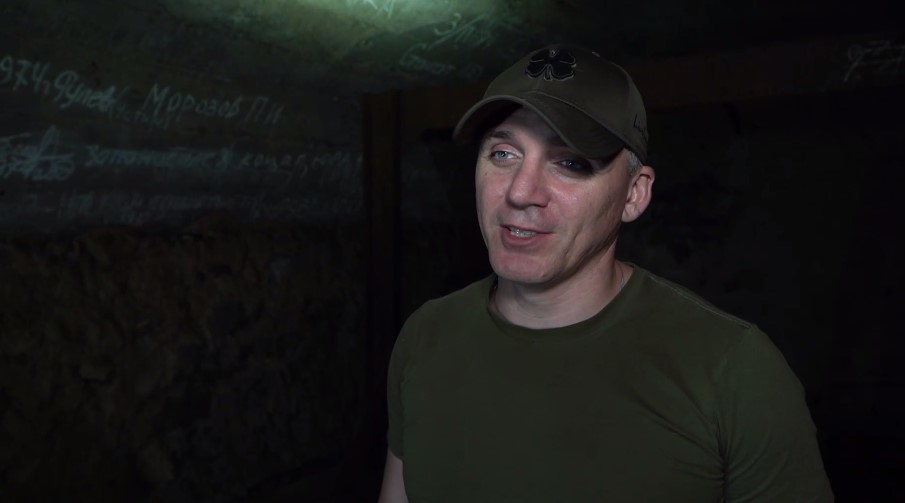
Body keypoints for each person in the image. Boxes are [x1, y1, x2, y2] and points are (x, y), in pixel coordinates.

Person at [378, 44, 833, 502]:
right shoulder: (426, 336)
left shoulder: (735, 371)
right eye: (503, 154)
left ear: (634, 194)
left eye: (570, 163)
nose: (521, 192)